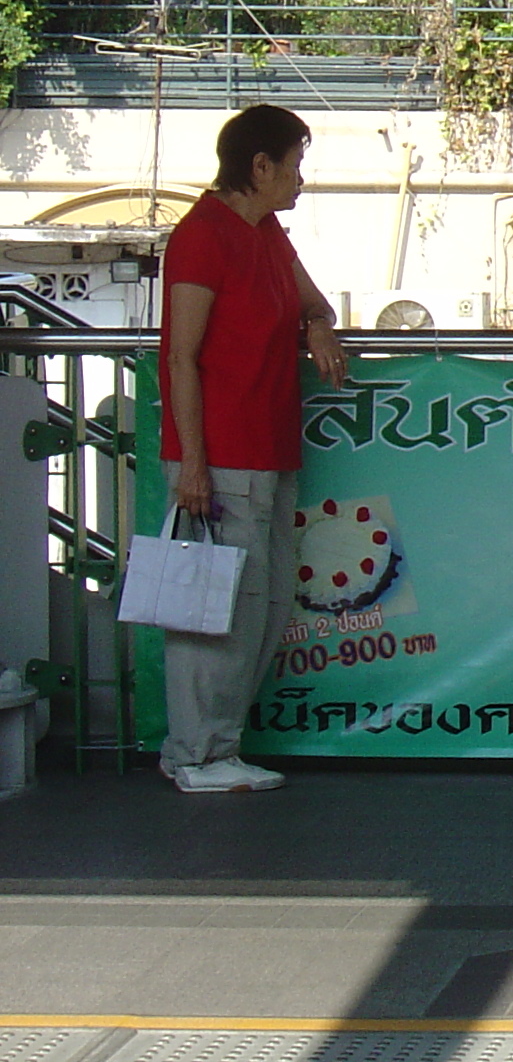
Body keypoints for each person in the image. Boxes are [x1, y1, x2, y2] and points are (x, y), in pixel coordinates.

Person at [157, 104, 349, 794]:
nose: (301, 180)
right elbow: (182, 357)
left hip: (271, 447)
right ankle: (192, 753)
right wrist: (194, 465)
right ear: (260, 166)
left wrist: (319, 326)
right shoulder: (201, 236)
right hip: (219, 455)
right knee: (214, 611)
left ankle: (220, 744)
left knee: (261, 608)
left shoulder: (266, 233)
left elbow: (314, 302)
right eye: (295, 165)